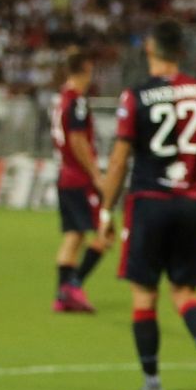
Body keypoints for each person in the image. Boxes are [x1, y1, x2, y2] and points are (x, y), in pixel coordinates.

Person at [98, 21, 196, 390]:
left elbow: (120, 159)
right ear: (182, 52)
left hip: (148, 201)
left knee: (144, 296)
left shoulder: (135, 95)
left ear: (151, 47)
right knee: (184, 291)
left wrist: (105, 209)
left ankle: (152, 384)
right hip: (189, 203)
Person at [51, 48, 109, 313]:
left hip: (64, 175)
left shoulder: (60, 99)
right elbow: (77, 140)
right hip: (79, 178)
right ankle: (72, 287)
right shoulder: (77, 101)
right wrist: (96, 175)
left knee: (73, 236)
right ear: (86, 67)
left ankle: (62, 297)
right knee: (105, 233)